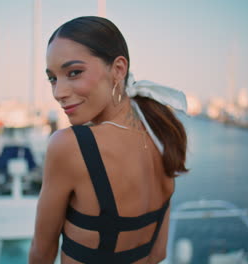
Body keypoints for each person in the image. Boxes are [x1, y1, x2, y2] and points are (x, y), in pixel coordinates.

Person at [29, 16, 188, 264]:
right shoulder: (162, 134)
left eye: (74, 72)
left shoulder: (70, 146)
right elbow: (158, 253)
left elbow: (42, 255)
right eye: (53, 78)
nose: (58, 92)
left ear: (118, 70)